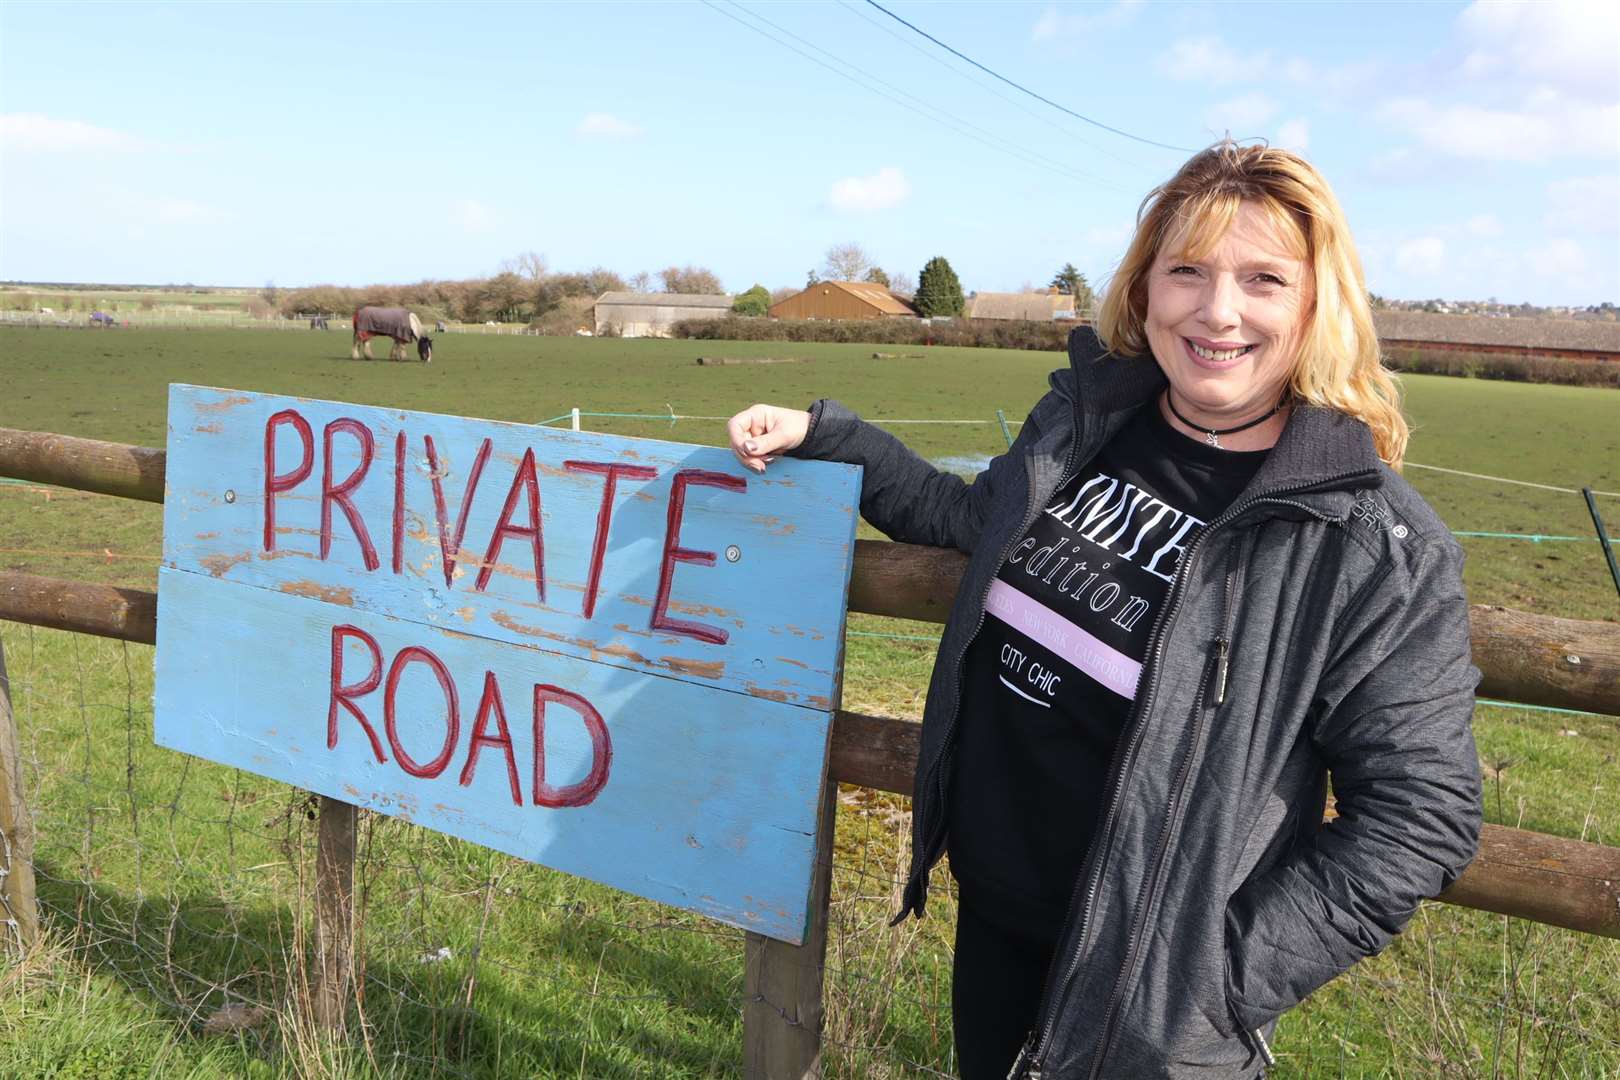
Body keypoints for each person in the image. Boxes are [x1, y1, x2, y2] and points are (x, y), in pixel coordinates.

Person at [725, 141, 1482, 1079]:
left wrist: (1212, 987)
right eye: (1188, 272)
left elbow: (1420, 817)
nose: (1218, 311)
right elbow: (968, 517)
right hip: (996, 913)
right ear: (1145, 289)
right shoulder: (1085, 427)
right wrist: (830, 436)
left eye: (1263, 279)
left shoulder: (1369, 542)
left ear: (1319, 303)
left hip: (1149, 1003)